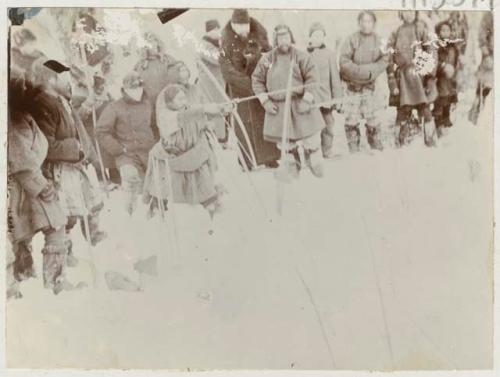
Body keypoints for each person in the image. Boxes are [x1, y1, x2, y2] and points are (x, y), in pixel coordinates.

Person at [30, 58, 107, 268]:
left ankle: (69, 257)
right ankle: (57, 274)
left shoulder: (61, 100)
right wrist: (76, 148)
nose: (68, 80)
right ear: (51, 79)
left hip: (72, 168)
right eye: (64, 76)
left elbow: (75, 127)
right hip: (56, 173)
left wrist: (86, 152)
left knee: (73, 215)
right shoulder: (43, 104)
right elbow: (46, 146)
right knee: (59, 222)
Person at [7, 73, 74, 295]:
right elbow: (21, 161)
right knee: (18, 236)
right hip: (19, 188)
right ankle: (17, 280)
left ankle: (55, 279)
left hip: (32, 184)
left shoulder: (23, 116)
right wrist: (42, 186)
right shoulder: (13, 122)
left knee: (56, 224)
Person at [143, 84, 231, 218]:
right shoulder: (166, 115)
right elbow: (185, 116)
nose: (184, 102)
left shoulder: (189, 109)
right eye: (179, 99)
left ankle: (214, 213)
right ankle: (156, 210)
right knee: (161, 189)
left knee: (205, 186)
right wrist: (204, 109)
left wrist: (222, 109)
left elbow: (203, 116)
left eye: (185, 98)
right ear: (170, 102)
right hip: (172, 156)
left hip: (194, 155)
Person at [252, 24, 326, 178]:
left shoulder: (301, 56)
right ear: (275, 40)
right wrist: (265, 101)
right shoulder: (268, 59)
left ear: (291, 38)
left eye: (286, 37)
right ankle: (292, 163)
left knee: (310, 136)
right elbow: (257, 79)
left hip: (300, 103)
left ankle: (313, 158)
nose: (283, 41)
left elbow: (313, 78)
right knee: (285, 142)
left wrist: (307, 99)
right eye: (280, 38)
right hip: (278, 106)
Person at [220, 9, 280, 169]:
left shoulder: (259, 34)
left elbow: (270, 54)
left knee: (264, 121)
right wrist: (247, 84)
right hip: (240, 90)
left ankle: (270, 157)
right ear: (233, 25)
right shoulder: (225, 42)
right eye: (240, 26)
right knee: (243, 125)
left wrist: (264, 78)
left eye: (245, 25)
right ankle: (246, 161)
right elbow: (227, 70)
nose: (244, 30)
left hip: (261, 86)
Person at [96, 72, 157, 214]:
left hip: (148, 153)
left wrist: (157, 144)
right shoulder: (115, 107)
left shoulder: (148, 104)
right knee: (132, 181)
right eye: (132, 89)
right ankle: (133, 216)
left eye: (139, 87)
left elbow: (155, 125)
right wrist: (118, 148)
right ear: (124, 90)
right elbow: (101, 131)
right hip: (127, 154)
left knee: (152, 189)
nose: (136, 92)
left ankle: (153, 217)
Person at [339, 11, 389, 153]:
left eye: (369, 21)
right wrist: (358, 72)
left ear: (374, 23)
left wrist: (371, 70)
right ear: (359, 23)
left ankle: (376, 146)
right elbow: (344, 61)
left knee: (372, 116)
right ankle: (353, 148)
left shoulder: (379, 40)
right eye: (363, 21)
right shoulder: (351, 39)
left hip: (370, 86)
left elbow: (385, 59)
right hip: (352, 86)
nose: (366, 24)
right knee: (351, 118)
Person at [386, 10, 438, 147]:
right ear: (401, 13)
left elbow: (431, 52)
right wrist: (392, 80)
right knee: (403, 110)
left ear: (415, 13)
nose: (408, 14)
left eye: (411, 11)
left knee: (425, 110)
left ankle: (430, 139)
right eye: (405, 11)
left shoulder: (421, 29)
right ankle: (399, 141)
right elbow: (388, 57)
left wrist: (430, 77)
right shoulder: (396, 32)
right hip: (402, 78)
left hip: (419, 78)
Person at [306, 21, 343, 158]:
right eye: (315, 36)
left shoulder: (329, 54)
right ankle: (312, 154)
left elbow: (335, 78)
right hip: (311, 99)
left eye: (320, 36)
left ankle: (327, 150)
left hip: (325, 98)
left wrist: (337, 98)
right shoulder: (304, 55)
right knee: (313, 128)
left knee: (328, 124)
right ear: (310, 38)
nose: (317, 39)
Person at [134, 32, 177, 138]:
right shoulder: (140, 65)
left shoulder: (168, 60)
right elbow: (135, 87)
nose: (151, 45)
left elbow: (178, 78)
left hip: (168, 104)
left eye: (153, 41)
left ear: (158, 43)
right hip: (150, 108)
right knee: (156, 133)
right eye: (147, 43)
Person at [197, 19, 227, 143]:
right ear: (209, 31)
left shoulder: (213, 44)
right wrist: (222, 47)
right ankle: (216, 138)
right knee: (214, 110)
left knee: (220, 110)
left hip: (217, 83)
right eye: (215, 29)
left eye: (218, 29)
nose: (217, 32)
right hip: (210, 85)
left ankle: (220, 137)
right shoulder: (204, 45)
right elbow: (217, 59)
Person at [433, 20, 460, 137]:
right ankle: (438, 127)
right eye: (443, 30)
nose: (445, 32)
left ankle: (446, 123)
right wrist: (443, 66)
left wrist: (455, 69)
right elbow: (434, 62)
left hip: (450, 80)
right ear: (439, 32)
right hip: (440, 80)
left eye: (447, 30)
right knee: (440, 102)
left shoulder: (453, 46)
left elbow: (455, 61)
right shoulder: (436, 46)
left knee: (448, 101)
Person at [468, 12, 493, 125]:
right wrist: (486, 52)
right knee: (485, 86)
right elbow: (482, 35)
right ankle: (476, 114)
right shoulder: (489, 14)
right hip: (490, 55)